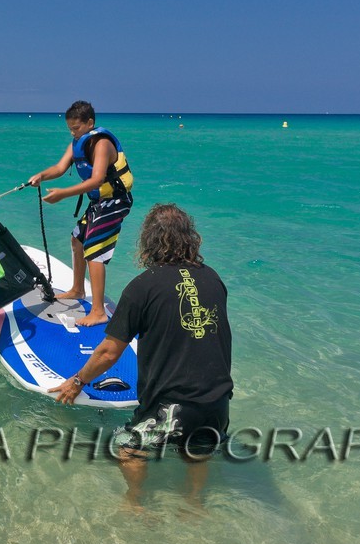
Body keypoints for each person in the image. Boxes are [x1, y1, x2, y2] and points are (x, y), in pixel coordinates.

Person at [55, 204, 234, 509]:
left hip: (172, 406)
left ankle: (136, 502)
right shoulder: (213, 279)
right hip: (217, 402)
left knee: (129, 449)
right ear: (190, 237)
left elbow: (109, 351)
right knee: (197, 449)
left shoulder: (143, 287)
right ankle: (194, 503)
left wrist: (77, 381)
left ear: (149, 240)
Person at [27, 100, 134, 327]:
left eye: (76, 128)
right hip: (99, 202)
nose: (73, 133)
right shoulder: (77, 142)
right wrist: (41, 176)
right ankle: (77, 289)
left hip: (115, 202)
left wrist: (63, 194)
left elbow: (96, 180)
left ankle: (98, 311)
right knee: (77, 240)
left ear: (90, 123)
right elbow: (59, 168)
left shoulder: (102, 144)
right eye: (70, 129)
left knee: (94, 250)